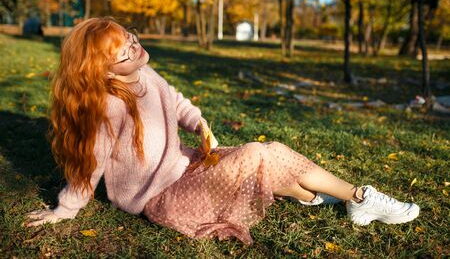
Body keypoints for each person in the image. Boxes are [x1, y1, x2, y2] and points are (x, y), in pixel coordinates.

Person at [24, 17, 419, 245]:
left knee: (268, 153)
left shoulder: (144, 71)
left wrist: (199, 123)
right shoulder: (108, 106)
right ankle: (357, 197)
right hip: (163, 197)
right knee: (258, 154)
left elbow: (175, 100)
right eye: (123, 50)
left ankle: (337, 199)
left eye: (128, 35)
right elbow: (89, 163)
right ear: (105, 71)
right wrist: (65, 209)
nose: (134, 43)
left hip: (189, 166)